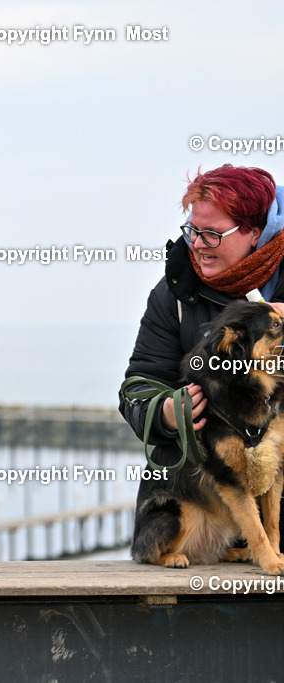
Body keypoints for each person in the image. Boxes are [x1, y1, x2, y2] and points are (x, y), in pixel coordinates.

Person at [120, 164, 284, 548]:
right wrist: (163, 412)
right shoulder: (172, 294)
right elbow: (137, 387)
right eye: (193, 230)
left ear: (255, 233)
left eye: (213, 233)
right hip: (203, 521)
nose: (198, 243)